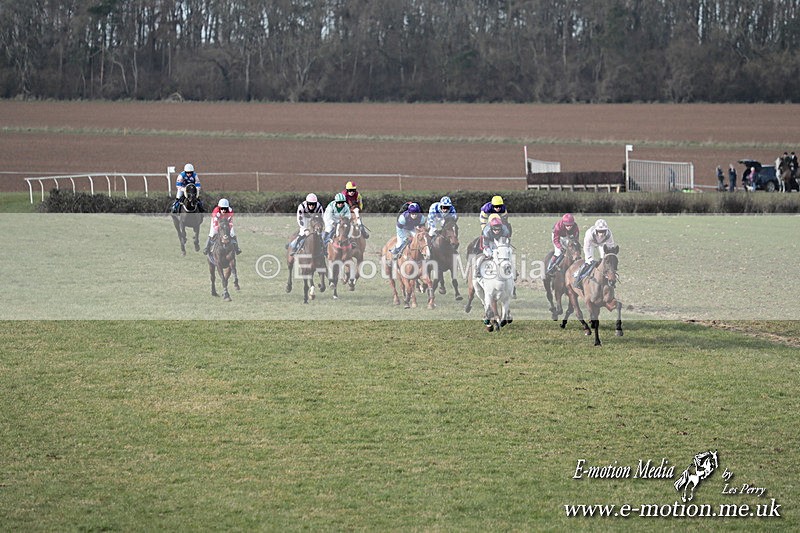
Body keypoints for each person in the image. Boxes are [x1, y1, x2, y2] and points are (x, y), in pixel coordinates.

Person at [573, 218, 615, 288]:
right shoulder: (590, 234)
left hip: (602, 244)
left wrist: (608, 256)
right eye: (599, 231)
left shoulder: (609, 234)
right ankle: (578, 279)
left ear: (606, 230)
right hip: (591, 244)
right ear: (596, 230)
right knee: (589, 262)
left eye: (603, 231)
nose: (601, 234)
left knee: (606, 261)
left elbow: (611, 247)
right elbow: (586, 247)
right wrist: (589, 258)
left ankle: (610, 279)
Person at [476, 214, 511, 278]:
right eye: (495, 230)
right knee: (488, 255)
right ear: (491, 228)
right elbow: (485, 245)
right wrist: (491, 252)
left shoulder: (505, 230)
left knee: (508, 254)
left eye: (498, 230)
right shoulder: (487, 231)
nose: (497, 231)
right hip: (489, 242)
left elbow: (506, 241)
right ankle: (478, 270)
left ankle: (512, 271)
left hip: (500, 241)